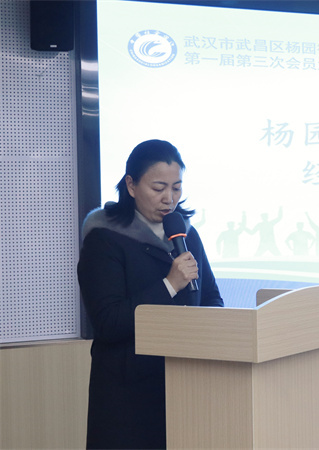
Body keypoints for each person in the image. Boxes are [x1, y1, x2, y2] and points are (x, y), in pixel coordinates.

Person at [77, 139, 223, 449]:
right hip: (128, 397)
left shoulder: (186, 235)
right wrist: (169, 284)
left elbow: (211, 298)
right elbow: (108, 322)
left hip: (187, 385)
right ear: (131, 185)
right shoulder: (104, 239)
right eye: (158, 188)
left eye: (176, 188)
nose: (169, 199)